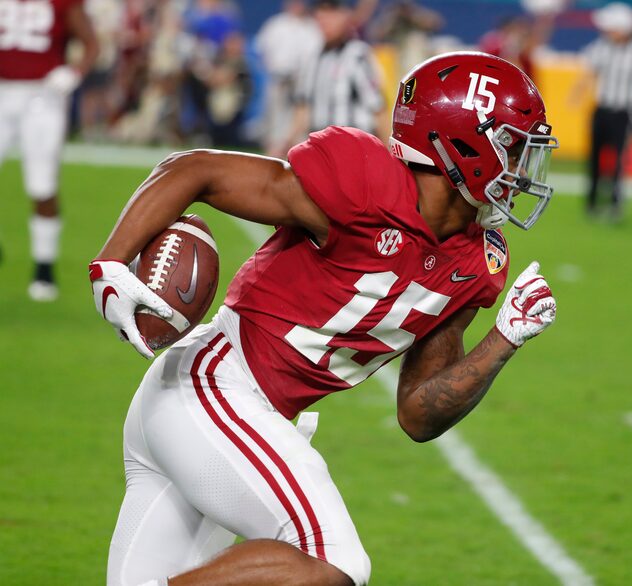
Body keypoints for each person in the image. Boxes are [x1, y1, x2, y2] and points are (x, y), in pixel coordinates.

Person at [89, 51, 559, 586]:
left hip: (220, 416)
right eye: (515, 148)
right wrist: (110, 262)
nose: (524, 169)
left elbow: (418, 415)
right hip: (215, 387)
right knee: (335, 562)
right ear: (463, 144)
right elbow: (195, 169)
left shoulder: (476, 263)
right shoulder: (364, 184)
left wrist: (504, 338)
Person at [0, 0, 99, 301]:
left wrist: (75, 72)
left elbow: (91, 44)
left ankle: (44, 268)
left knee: (42, 184)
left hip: (42, 95)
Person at [570, 2, 632, 219]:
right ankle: (592, 200)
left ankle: (615, 201)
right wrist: (576, 95)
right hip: (602, 109)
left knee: (620, 159)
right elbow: (589, 73)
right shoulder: (602, 47)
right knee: (594, 157)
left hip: (624, 112)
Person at [278, 0, 386, 156]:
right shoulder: (312, 57)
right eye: (321, 14)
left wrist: (387, 154)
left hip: (356, 150)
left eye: (332, 14)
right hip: (321, 151)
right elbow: (303, 107)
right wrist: (286, 142)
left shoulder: (358, 55)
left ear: (346, 16)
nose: (325, 20)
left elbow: (378, 108)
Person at [254, 0, 322, 155]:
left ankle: (296, 155)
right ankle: (273, 154)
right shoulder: (275, 24)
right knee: (274, 121)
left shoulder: (312, 27)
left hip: (302, 81)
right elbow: (261, 50)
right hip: (278, 78)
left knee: (300, 122)